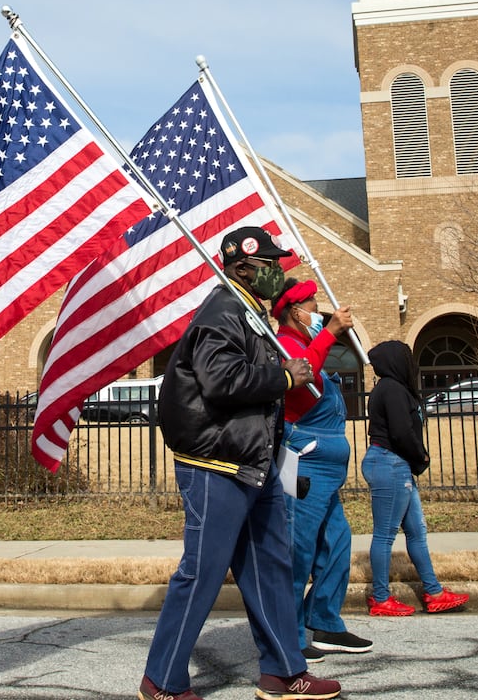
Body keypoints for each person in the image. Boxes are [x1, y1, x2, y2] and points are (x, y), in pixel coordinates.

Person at [138, 226, 341, 700]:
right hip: (216, 465)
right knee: (202, 572)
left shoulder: (249, 314)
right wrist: (284, 374)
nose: (281, 272)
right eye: (273, 265)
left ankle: (284, 673)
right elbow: (221, 381)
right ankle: (161, 680)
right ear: (245, 268)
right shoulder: (222, 312)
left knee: (271, 566)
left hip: (255, 464)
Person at [271, 279, 371, 658]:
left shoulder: (306, 343)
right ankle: (290, 637)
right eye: (312, 305)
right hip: (303, 464)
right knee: (298, 550)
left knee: (337, 543)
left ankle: (326, 622)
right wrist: (329, 333)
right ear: (296, 312)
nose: (317, 312)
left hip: (326, 473)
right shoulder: (285, 344)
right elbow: (301, 380)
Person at [361, 339, 468, 617]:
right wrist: (421, 456)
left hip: (397, 464)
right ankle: (381, 598)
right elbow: (401, 432)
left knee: (416, 532)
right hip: (390, 463)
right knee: (385, 535)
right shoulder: (392, 389)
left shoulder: (394, 388)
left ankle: (434, 592)